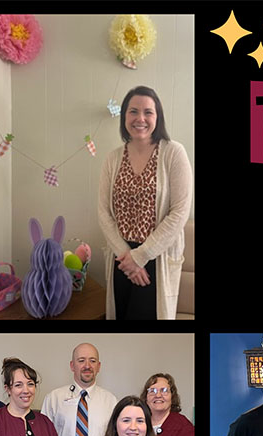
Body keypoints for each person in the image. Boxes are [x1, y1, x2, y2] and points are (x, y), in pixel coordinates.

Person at [97, 85, 193, 320]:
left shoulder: (173, 153)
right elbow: (103, 212)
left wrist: (140, 257)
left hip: (156, 257)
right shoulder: (113, 158)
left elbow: (180, 212)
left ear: (157, 117)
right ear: (124, 117)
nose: (140, 118)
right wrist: (127, 258)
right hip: (120, 258)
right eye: (133, 111)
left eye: (148, 112)